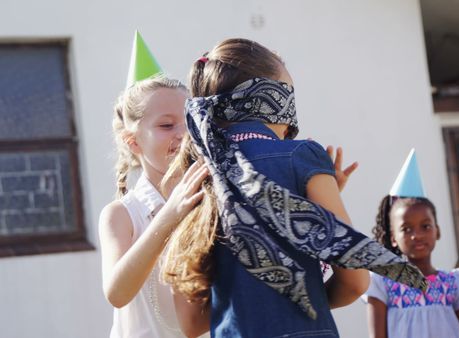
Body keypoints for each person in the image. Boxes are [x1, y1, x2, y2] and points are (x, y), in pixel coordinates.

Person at [160, 38, 427, 338]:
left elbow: (192, 323)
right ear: (267, 100)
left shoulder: (191, 180)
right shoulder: (302, 157)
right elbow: (356, 282)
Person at [98, 31, 209, 338]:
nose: (183, 135)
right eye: (166, 125)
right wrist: (169, 215)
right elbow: (117, 292)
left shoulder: (210, 198)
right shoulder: (120, 215)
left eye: (189, 123)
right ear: (133, 142)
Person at [364, 149, 459, 338]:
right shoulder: (383, 284)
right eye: (406, 229)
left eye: (425, 226)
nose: (416, 235)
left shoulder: (454, 283)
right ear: (393, 237)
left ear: (438, 231)